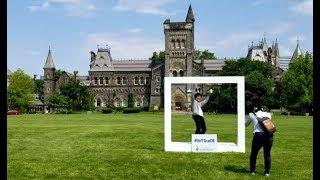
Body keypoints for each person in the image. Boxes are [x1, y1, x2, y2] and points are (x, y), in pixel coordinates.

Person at [246, 107, 274, 177]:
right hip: (269, 135)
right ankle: (267, 172)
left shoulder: (251, 115)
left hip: (258, 135)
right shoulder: (268, 114)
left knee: (254, 154)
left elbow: (246, 124)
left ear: (254, 111)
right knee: (267, 154)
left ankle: (252, 171)